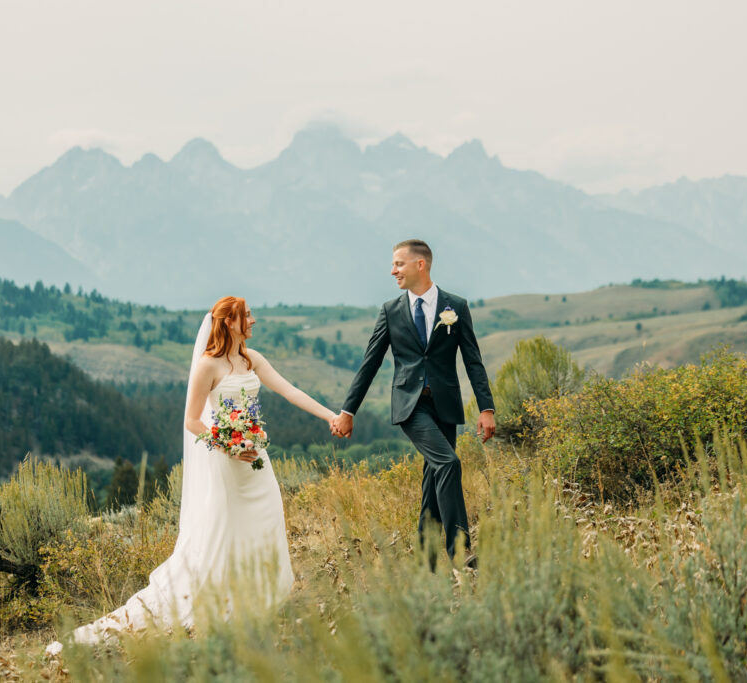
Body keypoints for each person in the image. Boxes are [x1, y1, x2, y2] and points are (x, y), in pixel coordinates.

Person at [47, 296, 337, 654]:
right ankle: (221, 601)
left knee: (267, 520)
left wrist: (331, 417)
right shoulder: (208, 366)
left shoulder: (252, 359)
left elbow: (290, 390)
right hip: (227, 461)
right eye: (247, 316)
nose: (254, 320)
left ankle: (262, 596)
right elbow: (192, 420)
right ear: (229, 321)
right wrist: (228, 444)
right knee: (225, 532)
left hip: (256, 464)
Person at [330, 239, 495, 567]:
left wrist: (486, 408)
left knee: (435, 478)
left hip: (446, 405)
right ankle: (460, 551)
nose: (393, 271)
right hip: (411, 406)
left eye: (399, 264)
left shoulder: (455, 307)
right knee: (448, 464)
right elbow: (370, 363)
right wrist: (348, 411)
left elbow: (473, 361)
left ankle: (425, 559)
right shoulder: (390, 311)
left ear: (421, 264)